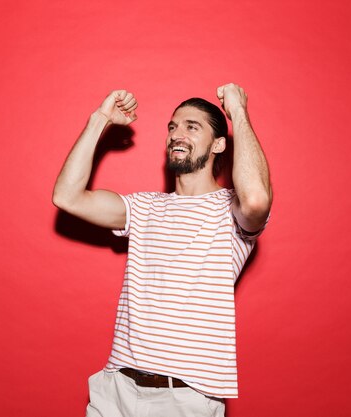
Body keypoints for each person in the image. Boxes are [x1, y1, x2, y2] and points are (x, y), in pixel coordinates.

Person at [52, 83, 272, 417]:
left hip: (185, 397)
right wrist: (100, 119)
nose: (176, 134)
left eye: (191, 127)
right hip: (116, 390)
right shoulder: (144, 207)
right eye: (172, 127)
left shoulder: (230, 210)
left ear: (219, 144)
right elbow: (67, 198)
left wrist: (239, 112)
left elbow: (256, 199)